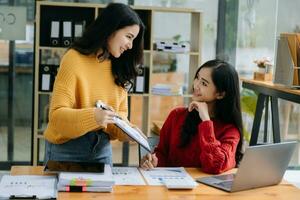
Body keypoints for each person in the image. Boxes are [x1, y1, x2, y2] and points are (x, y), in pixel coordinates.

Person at [44, 3, 145, 166]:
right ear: (111, 29)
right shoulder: (74, 59)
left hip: (102, 151)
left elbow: (117, 119)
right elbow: (56, 118)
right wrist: (94, 116)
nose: (130, 45)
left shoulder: (119, 67)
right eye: (128, 36)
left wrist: (128, 131)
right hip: (67, 151)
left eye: (133, 39)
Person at [141, 59, 243, 174]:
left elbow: (215, 165)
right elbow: (162, 154)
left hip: (204, 191)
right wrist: (154, 161)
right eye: (197, 78)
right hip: (172, 188)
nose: (196, 85)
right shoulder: (176, 116)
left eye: (204, 83)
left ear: (220, 94)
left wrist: (206, 121)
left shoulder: (230, 131)